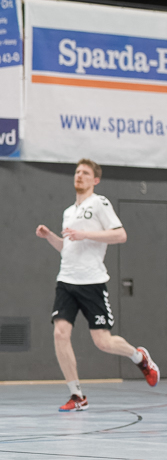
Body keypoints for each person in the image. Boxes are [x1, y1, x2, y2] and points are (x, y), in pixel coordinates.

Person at [36, 158, 160, 412]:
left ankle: (139, 357)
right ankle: (77, 395)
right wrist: (50, 237)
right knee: (60, 333)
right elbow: (67, 248)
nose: (79, 175)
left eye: (85, 172)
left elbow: (120, 235)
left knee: (103, 342)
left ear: (95, 180)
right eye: (77, 172)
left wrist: (86, 234)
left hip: (91, 282)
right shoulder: (68, 212)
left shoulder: (99, 203)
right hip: (66, 281)